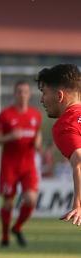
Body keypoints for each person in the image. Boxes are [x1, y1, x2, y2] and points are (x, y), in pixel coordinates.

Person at [0, 81, 42, 247]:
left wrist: (38, 143)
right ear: (14, 94)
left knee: (31, 199)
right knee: (7, 203)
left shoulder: (35, 115)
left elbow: (38, 135)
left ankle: (17, 227)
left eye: (25, 92)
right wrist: (10, 137)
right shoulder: (5, 115)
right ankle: (5, 237)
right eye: (19, 91)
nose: (22, 95)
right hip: (9, 165)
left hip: (28, 165)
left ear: (30, 94)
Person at [36, 65, 81, 232]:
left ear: (59, 95)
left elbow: (79, 161)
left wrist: (78, 204)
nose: (42, 100)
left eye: (44, 93)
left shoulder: (65, 125)